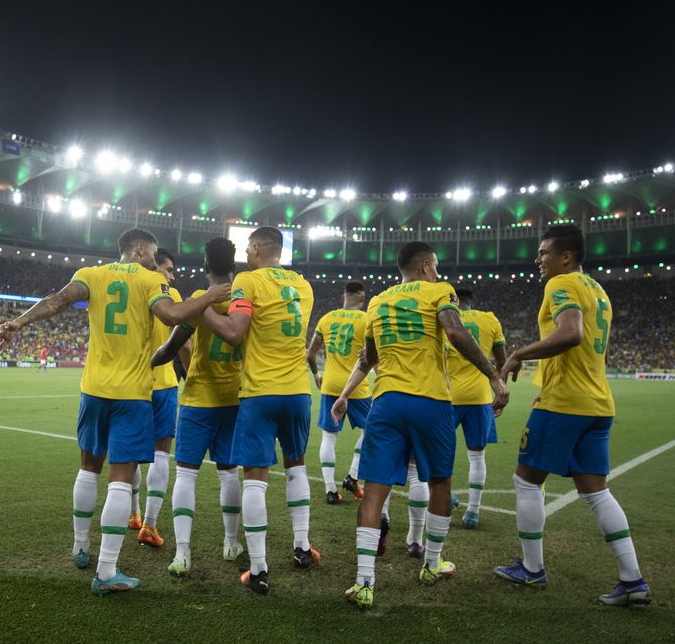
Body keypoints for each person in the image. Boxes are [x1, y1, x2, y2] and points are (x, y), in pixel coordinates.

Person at [0, 228, 229, 596]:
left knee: (88, 470)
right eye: (152, 255)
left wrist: (19, 322)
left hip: (93, 391)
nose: (155, 262)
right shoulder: (150, 278)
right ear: (139, 250)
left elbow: (57, 300)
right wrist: (209, 297)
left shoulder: (91, 274)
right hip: (131, 395)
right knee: (121, 480)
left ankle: (80, 546)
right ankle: (106, 572)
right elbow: (171, 316)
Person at [332, 241, 508, 609]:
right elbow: (457, 334)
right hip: (431, 402)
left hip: (387, 402)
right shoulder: (440, 291)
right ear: (427, 265)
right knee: (440, 481)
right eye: (438, 265)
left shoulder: (378, 302)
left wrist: (345, 393)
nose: (439, 271)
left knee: (375, 489)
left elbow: (370, 358)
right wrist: (494, 377)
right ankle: (432, 564)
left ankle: (364, 581)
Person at [495, 224, 650, 606]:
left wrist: (518, 354)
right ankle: (633, 580)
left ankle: (532, 570)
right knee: (597, 492)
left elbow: (571, 334)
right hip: (598, 403)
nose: (539, 260)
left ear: (566, 257)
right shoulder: (599, 290)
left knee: (527, 482)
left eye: (544, 252)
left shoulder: (560, 284)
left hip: (564, 402)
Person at [202, 226, 315, 596]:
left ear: (253, 249)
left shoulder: (248, 282)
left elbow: (235, 333)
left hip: (261, 391)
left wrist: (203, 308)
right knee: (296, 465)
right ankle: (301, 548)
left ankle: (259, 568)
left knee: (254, 476)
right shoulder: (303, 285)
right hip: (298, 390)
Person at [149, 237, 243, 576]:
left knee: (186, 474)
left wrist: (149, 361)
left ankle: (183, 553)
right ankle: (231, 543)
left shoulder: (195, 303)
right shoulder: (245, 300)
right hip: (234, 397)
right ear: (234, 266)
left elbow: (172, 349)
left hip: (198, 398)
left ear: (205, 267)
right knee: (229, 472)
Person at [134, 248, 186, 548]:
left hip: (132, 383)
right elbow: (184, 345)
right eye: (168, 269)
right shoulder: (171, 295)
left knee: (128, 453)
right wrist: (191, 375)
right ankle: (150, 525)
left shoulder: (133, 290)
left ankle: (133, 514)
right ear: (155, 268)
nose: (172, 275)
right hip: (163, 383)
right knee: (161, 453)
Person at [445, 287, 507, 530]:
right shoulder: (489, 319)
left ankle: (446, 496)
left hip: (448, 397)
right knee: (477, 456)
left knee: (442, 450)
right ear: (472, 301)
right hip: (480, 397)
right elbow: (502, 361)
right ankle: (473, 511)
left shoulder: (446, 319)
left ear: (455, 302)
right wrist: (499, 392)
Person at [307, 280, 371, 504]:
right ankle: (352, 477)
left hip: (331, 384)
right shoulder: (366, 319)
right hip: (357, 385)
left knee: (329, 436)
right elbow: (372, 355)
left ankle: (330, 491)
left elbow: (310, 353)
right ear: (362, 299)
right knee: (370, 430)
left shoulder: (327, 318)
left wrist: (316, 376)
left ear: (343, 296)